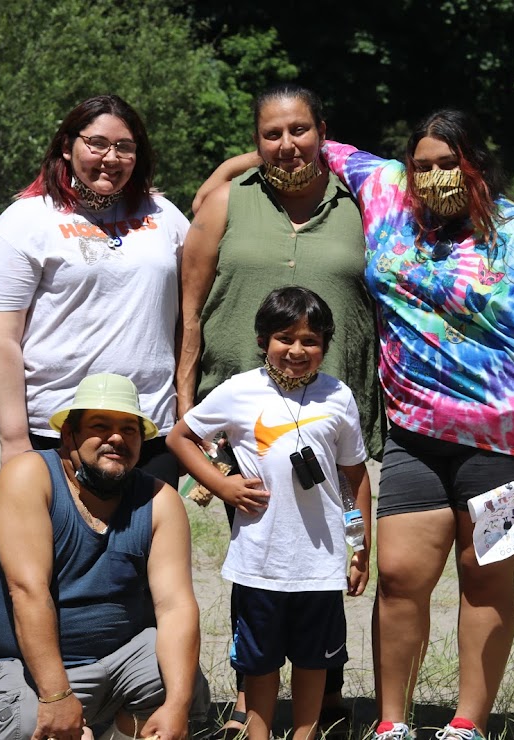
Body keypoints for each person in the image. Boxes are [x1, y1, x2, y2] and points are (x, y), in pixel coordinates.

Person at [202, 109, 514, 740]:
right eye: (423, 165)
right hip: (412, 434)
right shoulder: (387, 192)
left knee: (484, 576)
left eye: (447, 165)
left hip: (505, 438)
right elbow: (313, 147)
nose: (433, 177)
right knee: (401, 576)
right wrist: (230, 170)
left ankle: (468, 722)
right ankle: (393, 721)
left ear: (477, 166)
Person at [178, 83, 384, 734]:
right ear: (255, 140)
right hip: (237, 410)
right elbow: (188, 311)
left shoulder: (364, 204)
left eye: (299, 130)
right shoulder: (225, 201)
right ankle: (251, 702)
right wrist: (187, 399)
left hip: (331, 404)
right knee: (259, 553)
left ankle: (321, 698)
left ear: (324, 131)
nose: (287, 144)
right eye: (272, 134)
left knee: (318, 541)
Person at [168, 287, 372, 740]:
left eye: (311, 341)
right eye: (285, 338)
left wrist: (359, 545)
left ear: (325, 345)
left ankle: (306, 731)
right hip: (259, 562)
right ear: (264, 340)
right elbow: (180, 438)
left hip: (319, 564)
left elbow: (354, 479)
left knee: (313, 659)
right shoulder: (239, 390)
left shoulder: (338, 397)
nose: (297, 350)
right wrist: (222, 484)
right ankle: (258, 733)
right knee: (259, 662)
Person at [0, 373, 211, 740]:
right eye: (100, 427)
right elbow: (27, 590)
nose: (116, 438)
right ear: (69, 435)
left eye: (129, 430)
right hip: (32, 667)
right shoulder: (28, 476)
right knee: (26, 727)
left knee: (180, 683)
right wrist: (56, 696)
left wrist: (177, 706)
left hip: (121, 659)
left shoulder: (159, 499)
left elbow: (176, 606)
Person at [0, 94, 188, 486]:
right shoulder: (26, 220)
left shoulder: (164, 215)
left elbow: (191, 317)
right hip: (58, 428)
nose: (111, 157)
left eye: (125, 147)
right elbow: (0, 336)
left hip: (148, 428)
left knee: (143, 546)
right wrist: (14, 439)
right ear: (67, 145)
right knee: (59, 547)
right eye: (97, 143)